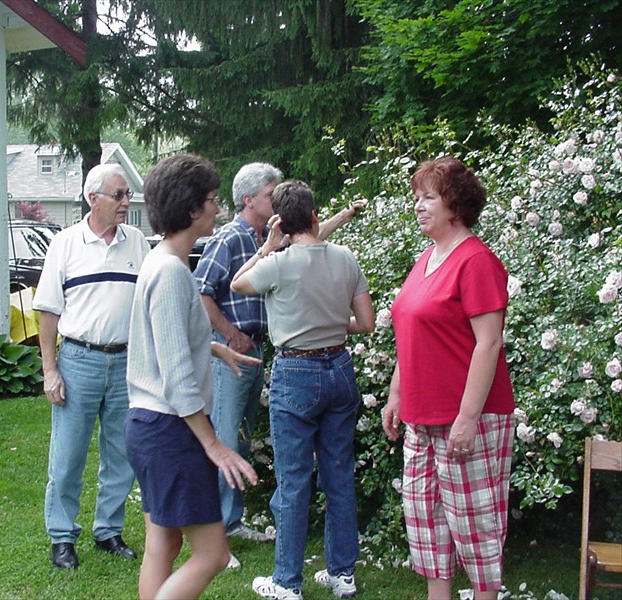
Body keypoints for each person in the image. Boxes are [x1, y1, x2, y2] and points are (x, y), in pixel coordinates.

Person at [193, 162, 364, 559]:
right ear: (249, 199)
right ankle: (216, 533)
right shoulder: (230, 239)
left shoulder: (271, 240)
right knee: (225, 436)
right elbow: (201, 291)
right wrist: (229, 333)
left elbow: (311, 242)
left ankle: (233, 521)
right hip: (232, 354)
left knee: (242, 438)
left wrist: (344, 214)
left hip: (264, 353)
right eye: (271, 194)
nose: (276, 203)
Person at [230, 180, 375, 600]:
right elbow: (365, 323)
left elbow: (238, 285)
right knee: (339, 476)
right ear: (314, 215)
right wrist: (329, 324)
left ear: (281, 224)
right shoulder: (346, 259)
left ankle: (287, 581)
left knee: (294, 481)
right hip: (340, 369)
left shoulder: (277, 263)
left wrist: (266, 247)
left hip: (296, 372)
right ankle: (342, 575)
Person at [125, 153, 260, 600]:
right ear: (191, 210)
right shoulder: (169, 272)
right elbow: (176, 375)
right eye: (211, 200)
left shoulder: (165, 263)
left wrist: (214, 346)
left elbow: (167, 340)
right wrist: (213, 444)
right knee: (213, 555)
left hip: (152, 425)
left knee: (163, 542)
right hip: (169, 429)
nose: (217, 209)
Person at [381, 156, 516, 600]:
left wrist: (467, 417)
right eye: (416, 198)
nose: (418, 206)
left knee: (476, 532)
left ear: (455, 204)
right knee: (427, 529)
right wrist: (397, 393)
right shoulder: (427, 258)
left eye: (429, 198)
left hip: (468, 418)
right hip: (421, 417)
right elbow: (411, 329)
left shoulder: (476, 262)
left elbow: (489, 344)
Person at [33, 163, 149, 569]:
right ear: (92, 198)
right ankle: (62, 537)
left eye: (127, 195)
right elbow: (47, 314)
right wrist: (50, 370)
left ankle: (108, 531)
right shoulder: (65, 244)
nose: (126, 202)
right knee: (67, 456)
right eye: (118, 195)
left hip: (125, 362)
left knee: (121, 453)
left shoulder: (137, 243)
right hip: (78, 360)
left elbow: (148, 304)